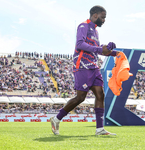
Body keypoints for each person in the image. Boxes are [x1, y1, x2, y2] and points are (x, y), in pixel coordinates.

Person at [50, 5, 119, 135]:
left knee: (100, 94)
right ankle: (56, 118)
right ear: (95, 15)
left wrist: (112, 52)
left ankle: (100, 129)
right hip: (82, 65)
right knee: (80, 97)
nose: (104, 20)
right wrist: (100, 49)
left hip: (94, 66)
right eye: (103, 17)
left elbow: (97, 50)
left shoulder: (96, 31)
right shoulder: (83, 26)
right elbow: (80, 44)